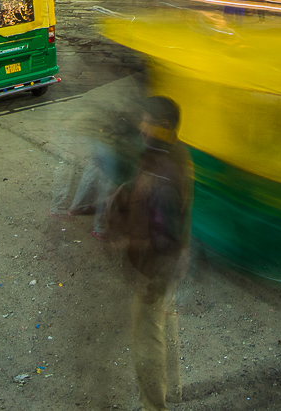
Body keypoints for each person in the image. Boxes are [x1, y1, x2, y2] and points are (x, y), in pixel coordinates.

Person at [112, 96, 193, 411]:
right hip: (170, 265)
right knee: (166, 321)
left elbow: (165, 232)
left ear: (163, 127)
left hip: (155, 269)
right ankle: (174, 390)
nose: (141, 125)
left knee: (147, 339)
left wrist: (133, 247)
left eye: (147, 120)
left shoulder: (163, 174)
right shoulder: (174, 151)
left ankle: (153, 406)